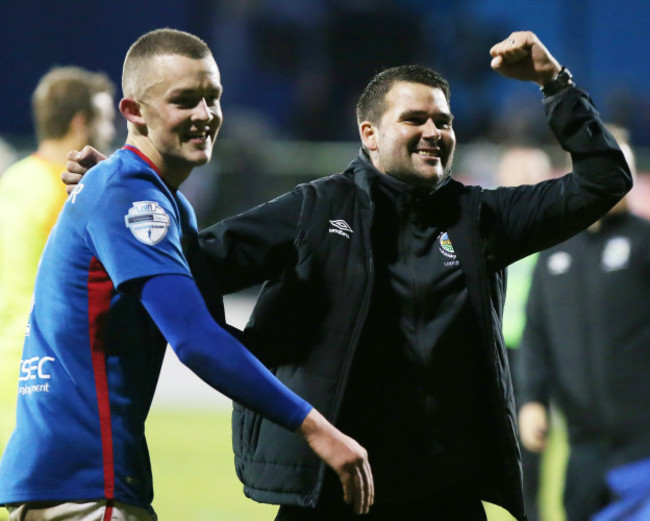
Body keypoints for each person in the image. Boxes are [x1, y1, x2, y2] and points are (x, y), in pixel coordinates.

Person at [63, 31, 631, 521]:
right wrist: (118, 188)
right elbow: (187, 268)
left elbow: (604, 180)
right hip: (332, 494)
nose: (434, 130)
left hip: (447, 498)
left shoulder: (480, 218)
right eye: (414, 118)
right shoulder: (313, 209)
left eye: (444, 120)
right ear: (369, 134)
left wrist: (554, 83)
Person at [0, 28, 373, 521]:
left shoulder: (156, 198)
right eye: (184, 101)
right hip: (86, 485)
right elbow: (195, 339)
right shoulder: (131, 194)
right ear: (132, 112)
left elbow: (212, 330)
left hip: (73, 480)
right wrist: (314, 427)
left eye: (212, 98)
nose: (205, 115)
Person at [517, 125, 650, 521]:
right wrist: (532, 400)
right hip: (582, 441)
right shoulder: (553, 248)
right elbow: (536, 333)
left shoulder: (644, 241)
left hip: (644, 441)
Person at [0, 66, 116, 464]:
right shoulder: (67, 196)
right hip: (44, 372)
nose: (110, 134)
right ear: (81, 122)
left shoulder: (14, 180)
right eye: (105, 121)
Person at [496, 145, 553, 521]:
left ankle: (527, 511)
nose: (522, 181)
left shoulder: (554, 233)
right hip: (490, 346)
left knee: (530, 438)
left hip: (536, 351)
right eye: (516, 172)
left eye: (531, 173)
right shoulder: (483, 227)